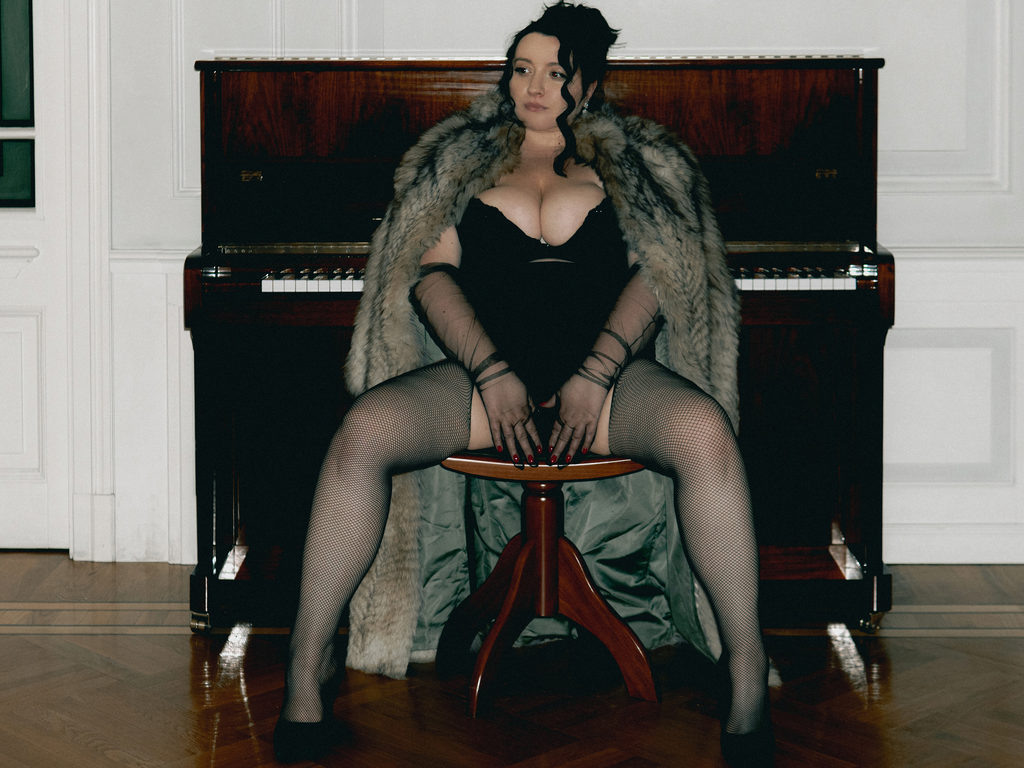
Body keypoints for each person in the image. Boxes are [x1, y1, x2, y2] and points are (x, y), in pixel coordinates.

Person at [274, 3, 772, 765]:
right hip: (486, 379)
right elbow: (430, 273)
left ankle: (745, 664)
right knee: (361, 434)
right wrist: (491, 371)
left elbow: (658, 274)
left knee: (705, 433)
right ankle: (308, 663)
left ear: (589, 84)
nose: (533, 87)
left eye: (555, 72)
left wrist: (597, 373)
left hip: (605, 383)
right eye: (521, 69)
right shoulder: (461, 160)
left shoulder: (637, 164)